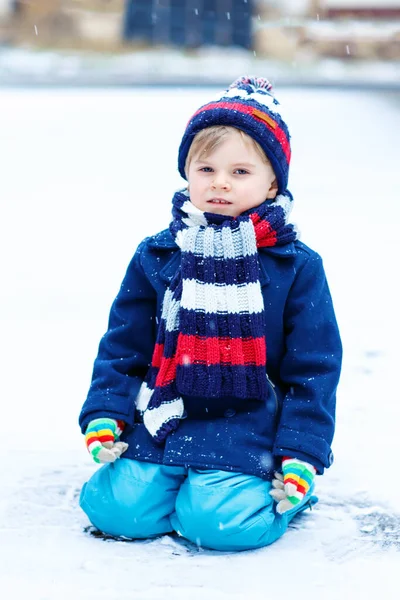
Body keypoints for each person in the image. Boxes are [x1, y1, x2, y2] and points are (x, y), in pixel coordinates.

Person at [79, 76, 342, 552]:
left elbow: (314, 367)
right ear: (188, 173)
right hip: (165, 414)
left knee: (216, 524)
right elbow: (124, 345)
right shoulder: (158, 254)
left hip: (249, 424)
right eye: (206, 168)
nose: (220, 182)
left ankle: (269, 496)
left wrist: (300, 450)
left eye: (240, 172)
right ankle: (178, 481)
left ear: (272, 183)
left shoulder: (296, 266)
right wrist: (107, 411)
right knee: (115, 510)